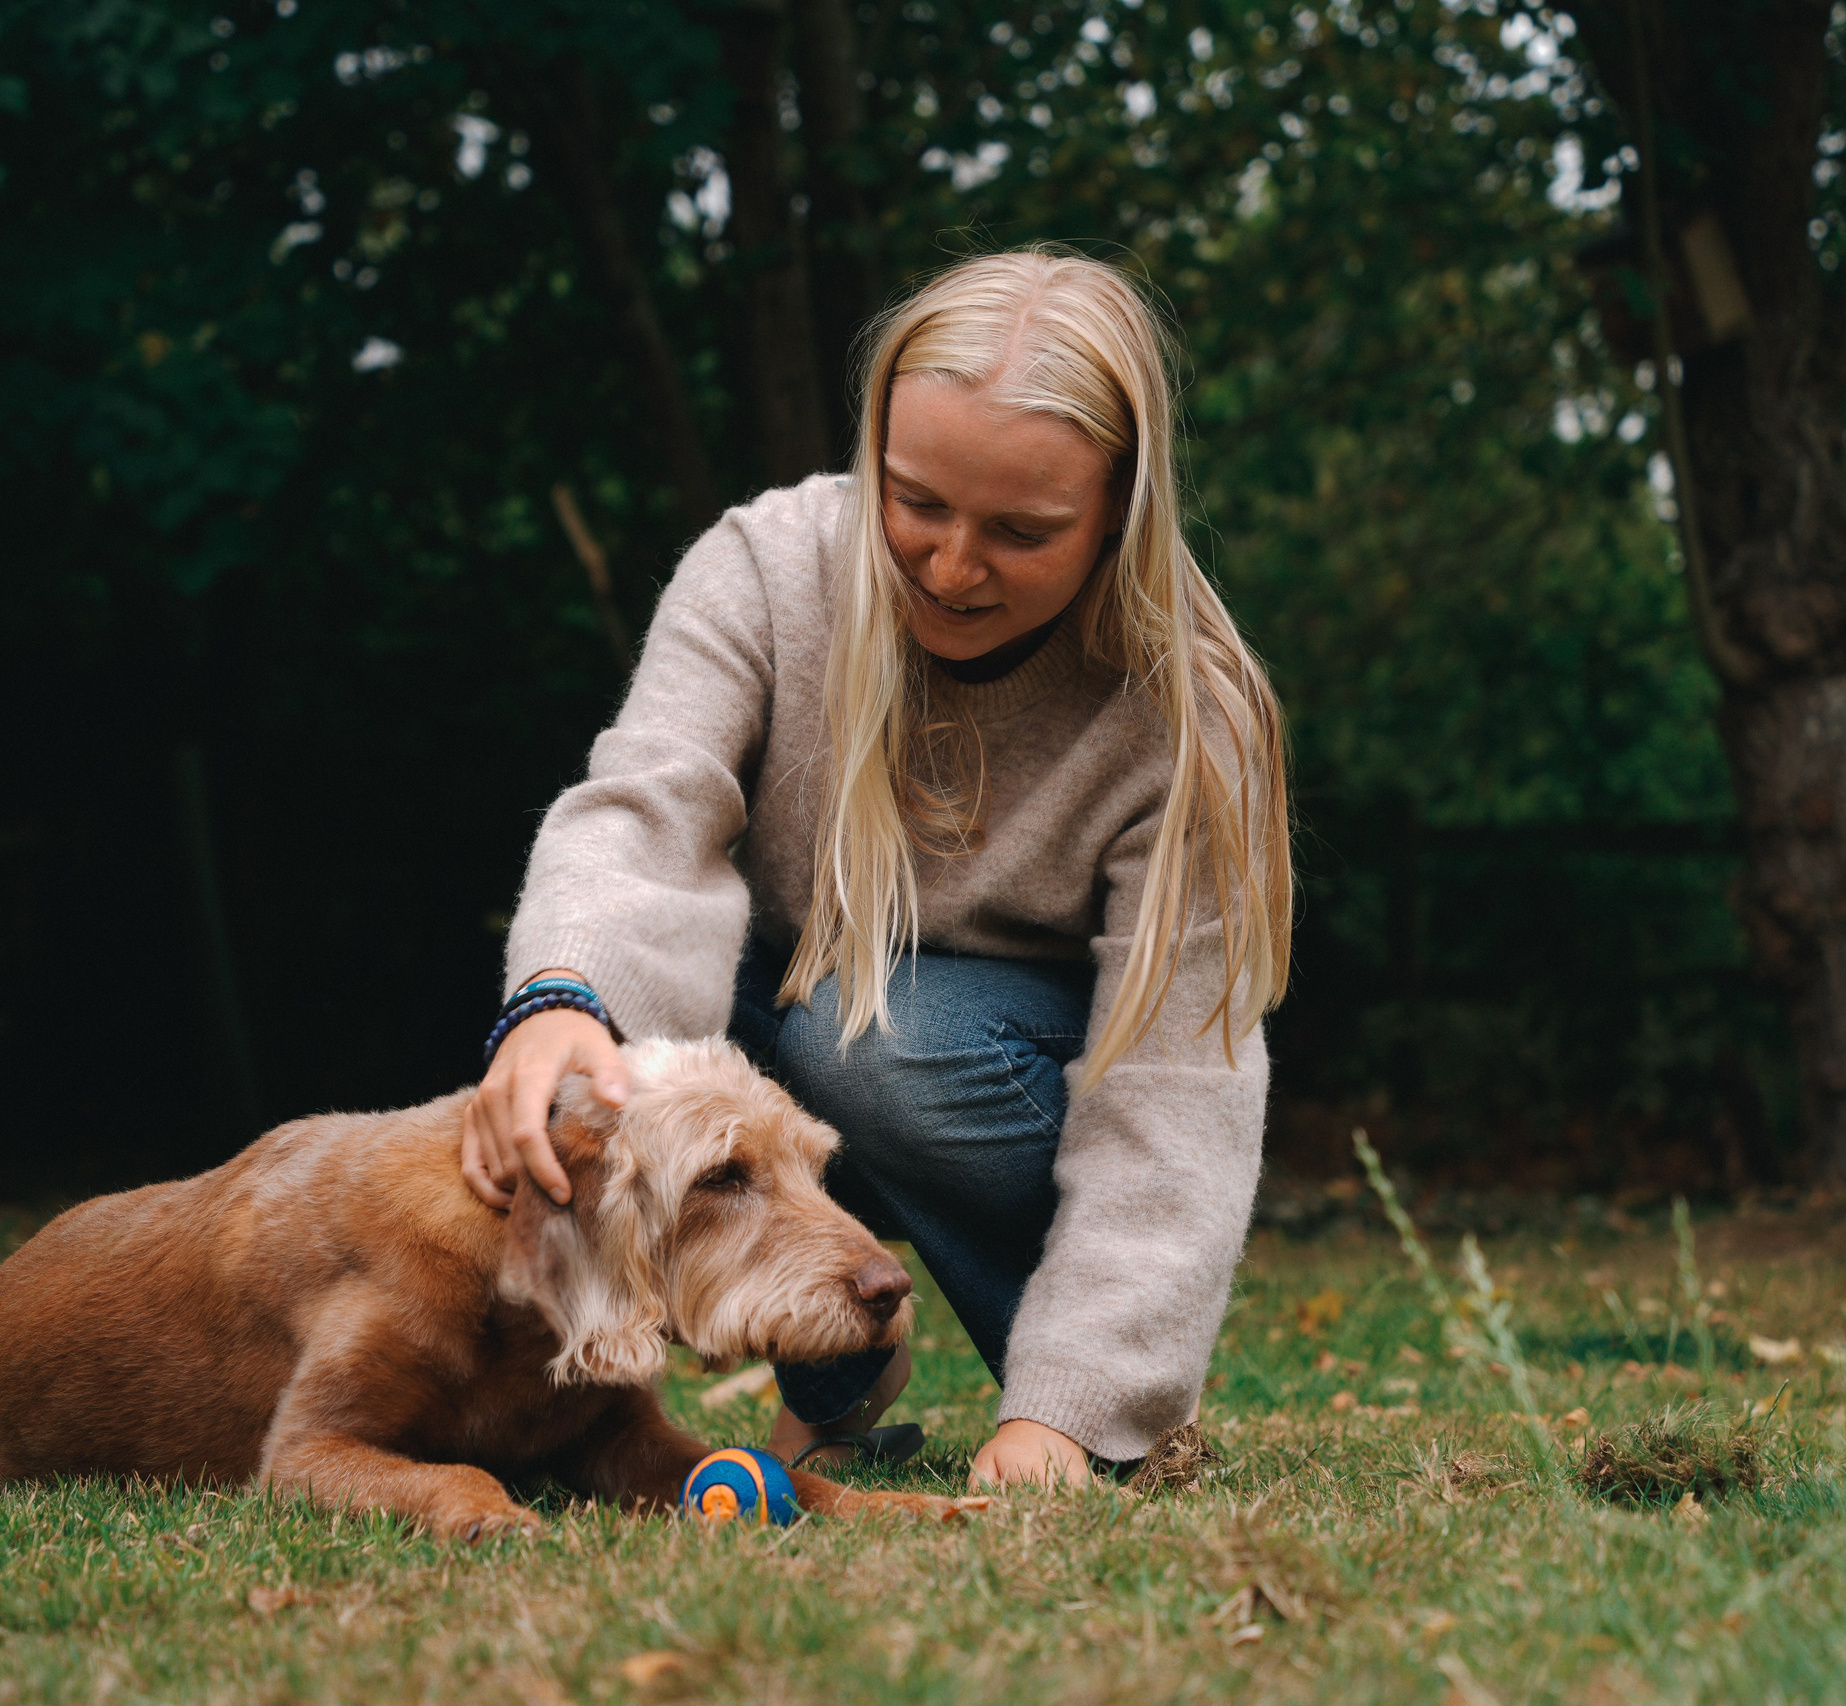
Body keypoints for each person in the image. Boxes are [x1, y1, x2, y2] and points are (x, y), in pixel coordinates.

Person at [461, 247, 1291, 1488]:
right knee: (612, 1053)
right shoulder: (765, 564)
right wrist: (564, 995)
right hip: (789, 1012)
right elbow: (647, 807)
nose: (953, 569)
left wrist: (1067, 1411)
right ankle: (833, 1362)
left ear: (1121, 510)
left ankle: (1092, 1400)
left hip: (990, 1076)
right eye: (917, 504)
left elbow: (1173, 1091)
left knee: (877, 1038)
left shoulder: (1187, 713)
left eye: (1021, 531)